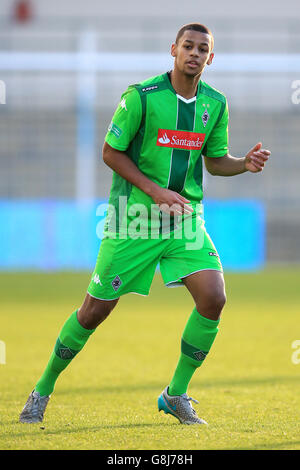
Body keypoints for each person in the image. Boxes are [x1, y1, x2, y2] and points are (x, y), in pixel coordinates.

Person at [19, 23, 270, 425]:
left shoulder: (215, 103)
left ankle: (176, 393)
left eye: (202, 48)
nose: (194, 53)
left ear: (211, 57)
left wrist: (244, 164)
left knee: (214, 297)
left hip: (184, 222)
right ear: (173, 49)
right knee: (93, 312)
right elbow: (110, 152)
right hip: (133, 220)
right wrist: (155, 192)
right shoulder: (141, 97)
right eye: (187, 46)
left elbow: (215, 161)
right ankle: (41, 390)